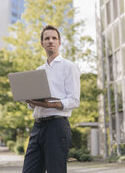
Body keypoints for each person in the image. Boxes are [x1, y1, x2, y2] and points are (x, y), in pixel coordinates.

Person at [22, 25, 80, 173]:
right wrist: (30, 100)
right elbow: (32, 107)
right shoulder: (38, 71)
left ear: (59, 42)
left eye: (54, 38)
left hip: (57, 126)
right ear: (42, 43)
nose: (50, 41)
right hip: (38, 126)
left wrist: (50, 104)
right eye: (47, 38)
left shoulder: (69, 67)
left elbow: (74, 100)